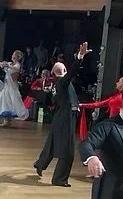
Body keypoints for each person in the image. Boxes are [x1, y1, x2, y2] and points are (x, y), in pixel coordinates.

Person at [34, 42, 90, 187]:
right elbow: (73, 71)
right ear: (63, 70)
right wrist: (80, 57)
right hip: (66, 117)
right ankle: (59, 179)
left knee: (52, 143)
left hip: (60, 116)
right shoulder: (62, 82)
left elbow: (54, 100)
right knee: (68, 151)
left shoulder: (57, 85)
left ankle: (40, 164)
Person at [0, 50, 29, 127]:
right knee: (5, 102)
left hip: (12, 87)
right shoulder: (10, 63)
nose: (12, 56)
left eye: (13, 55)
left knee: (11, 102)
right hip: (7, 86)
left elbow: (14, 68)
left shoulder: (17, 65)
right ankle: (6, 120)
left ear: (17, 57)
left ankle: (7, 120)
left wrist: (6, 65)